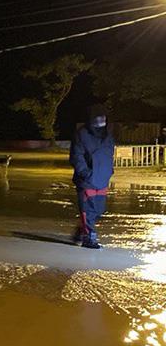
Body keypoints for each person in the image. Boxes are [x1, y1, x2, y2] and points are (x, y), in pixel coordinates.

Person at [69, 105, 114, 249]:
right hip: (87, 180)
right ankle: (89, 238)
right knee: (88, 210)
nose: (101, 121)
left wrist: (109, 171)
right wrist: (85, 173)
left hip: (102, 179)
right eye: (98, 118)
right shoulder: (81, 134)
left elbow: (109, 153)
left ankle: (81, 231)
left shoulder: (107, 135)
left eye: (103, 118)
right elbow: (76, 156)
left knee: (98, 210)